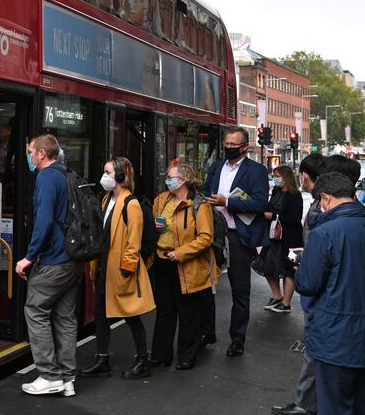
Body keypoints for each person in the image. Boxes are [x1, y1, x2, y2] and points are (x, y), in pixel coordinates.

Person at [295, 172, 365, 415]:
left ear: (325, 199)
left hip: (334, 339)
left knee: (336, 414)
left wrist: (300, 264)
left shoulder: (324, 234)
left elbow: (308, 284)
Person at [272, 154, 360, 415]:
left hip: (324, 295)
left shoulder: (324, 213)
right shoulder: (360, 216)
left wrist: (304, 266)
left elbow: (315, 270)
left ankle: (308, 404)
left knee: (316, 349)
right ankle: (311, 402)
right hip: (343, 300)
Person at [16, 134, 81, 397]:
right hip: (72, 258)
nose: (29, 156)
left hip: (53, 259)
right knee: (65, 318)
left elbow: (43, 222)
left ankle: (48, 374)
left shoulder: (45, 177)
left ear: (42, 153)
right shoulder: (66, 174)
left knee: (35, 311)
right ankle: (67, 378)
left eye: (31, 151)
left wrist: (29, 257)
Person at [79, 157, 155, 379]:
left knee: (131, 315)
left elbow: (134, 240)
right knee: (101, 315)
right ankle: (102, 359)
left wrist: (127, 269)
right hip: (104, 267)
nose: (104, 176)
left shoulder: (131, 204)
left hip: (121, 270)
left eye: (108, 172)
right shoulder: (106, 200)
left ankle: (143, 360)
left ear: (121, 177)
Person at [201, 127, 269, 357]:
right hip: (212, 234)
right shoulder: (217, 166)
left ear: (244, 147)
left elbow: (259, 204)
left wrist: (227, 201)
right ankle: (205, 332)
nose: (228, 147)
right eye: (226, 143)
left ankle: (237, 338)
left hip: (238, 236)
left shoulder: (256, 171)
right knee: (204, 285)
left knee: (240, 289)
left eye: (233, 144)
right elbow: (204, 191)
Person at [149, 163, 216, 370]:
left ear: (184, 180)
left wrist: (180, 253)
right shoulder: (161, 200)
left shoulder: (199, 205)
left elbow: (206, 238)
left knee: (188, 313)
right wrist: (156, 229)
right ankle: (161, 355)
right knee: (165, 311)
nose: (167, 180)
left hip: (187, 265)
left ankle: (187, 356)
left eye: (171, 177)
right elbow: (154, 225)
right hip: (162, 261)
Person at [255, 165, 303, 313]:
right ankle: (277, 296)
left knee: (290, 267)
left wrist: (275, 216)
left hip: (291, 239)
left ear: (286, 177)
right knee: (265, 263)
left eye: (277, 176)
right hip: (273, 237)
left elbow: (295, 219)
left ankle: (286, 302)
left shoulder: (295, 195)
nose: (275, 179)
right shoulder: (276, 191)